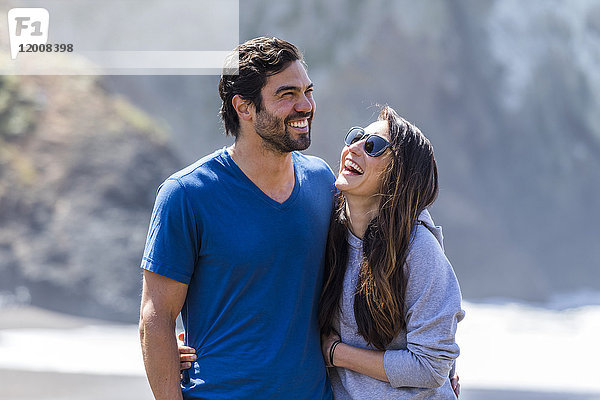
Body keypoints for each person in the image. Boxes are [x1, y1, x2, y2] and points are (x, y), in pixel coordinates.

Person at [139, 37, 335, 399]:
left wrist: (433, 367)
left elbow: (373, 274)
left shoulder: (324, 182)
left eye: (308, 91)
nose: (305, 105)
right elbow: (156, 317)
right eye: (287, 94)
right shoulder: (187, 194)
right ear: (244, 107)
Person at [318, 106, 465, 399]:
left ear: (400, 176)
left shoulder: (418, 251)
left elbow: (430, 367)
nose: (354, 148)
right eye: (356, 137)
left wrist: (336, 353)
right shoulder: (325, 229)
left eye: (373, 147)